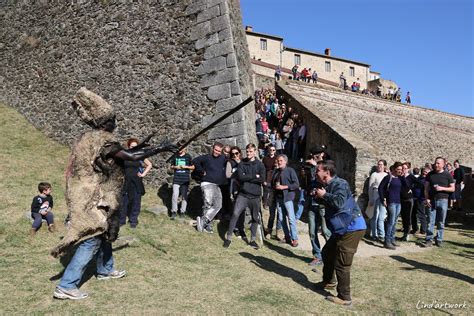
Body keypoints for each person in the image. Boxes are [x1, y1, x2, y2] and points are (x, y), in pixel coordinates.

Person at [52, 88, 176, 300]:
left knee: (105, 234)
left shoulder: (90, 138)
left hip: (92, 194)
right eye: (113, 120)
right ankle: (67, 285)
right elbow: (127, 155)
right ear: (105, 123)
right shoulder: (101, 139)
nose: (115, 123)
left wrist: (144, 145)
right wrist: (160, 148)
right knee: (92, 238)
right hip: (94, 197)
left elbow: (111, 157)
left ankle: (105, 269)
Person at [314, 160, 366, 306]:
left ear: (327, 172)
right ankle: (329, 281)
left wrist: (324, 195)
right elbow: (333, 205)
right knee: (328, 252)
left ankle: (345, 297)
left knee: (342, 263)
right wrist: (319, 195)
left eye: (318, 170)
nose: (315, 172)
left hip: (352, 228)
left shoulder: (340, 184)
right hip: (341, 228)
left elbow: (339, 203)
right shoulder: (328, 186)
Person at [224, 144, 266, 249]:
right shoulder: (242, 163)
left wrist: (249, 177)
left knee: (255, 218)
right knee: (235, 214)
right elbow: (241, 178)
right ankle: (228, 238)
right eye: (247, 151)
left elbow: (262, 179)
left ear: (255, 151)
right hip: (243, 194)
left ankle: (252, 240)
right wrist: (254, 176)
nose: (248, 153)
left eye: (251, 151)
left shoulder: (260, 165)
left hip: (255, 196)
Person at [193, 142, 227, 233]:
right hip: (207, 183)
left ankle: (203, 222)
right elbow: (195, 160)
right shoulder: (207, 157)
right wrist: (201, 171)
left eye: (219, 151)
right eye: (216, 150)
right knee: (208, 204)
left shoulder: (223, 158)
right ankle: (206, 226)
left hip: (217, 185)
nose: (217, 152)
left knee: (218, 205)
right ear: (213, 148)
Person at [422, 157, 455, 247]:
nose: (436, 165)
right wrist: (427, 198)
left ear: (443, 164)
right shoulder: (430, 174)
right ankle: (429, 239)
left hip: (443, 200)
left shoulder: (447, 175)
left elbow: (452, 188)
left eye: (438, 163)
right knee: (430, 221)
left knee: (441, 221)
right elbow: (426, 188)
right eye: (435, 163)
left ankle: (439, 239)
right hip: (432, 200)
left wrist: (442, 188)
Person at [119, 138, 152, 228]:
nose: (134, 148)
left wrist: (143, 174)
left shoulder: (140, 155)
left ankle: (133, 220)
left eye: (135, 146)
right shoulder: (124, 155)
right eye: (132, 146)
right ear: (128, 146)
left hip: (136, 181)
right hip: (126, 181)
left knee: (136, 201)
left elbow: (149, 165)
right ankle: (121, 220)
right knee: (123, 201)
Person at [378, 162, 408, 250]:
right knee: (390, 221)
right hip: (391, 202)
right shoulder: (389, 177)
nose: (400, 171)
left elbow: (406, 186)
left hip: (398, 202)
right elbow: (380, 188)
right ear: (394, 169)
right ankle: (387, 241)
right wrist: (383, 198)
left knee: (395, 221)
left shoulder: (400, 178)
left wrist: (402, 177)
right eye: (398, 169)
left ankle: (392, 239)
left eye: (401, 169)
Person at [273, 154, 300, 247]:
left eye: (281, 161)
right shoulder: (276, 171)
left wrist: (284, 187)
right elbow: (272, 183)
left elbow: (296, 184)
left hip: (288, 198)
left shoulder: (290, 171)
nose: (279, 162)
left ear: (285, 161)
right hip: (279, 198)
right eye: (278, 161)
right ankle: (287, 237)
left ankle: (295, 238)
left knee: (291, 219)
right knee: (281, 219)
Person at [170, 140, 194, 219]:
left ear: (185, 148)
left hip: (185, 180)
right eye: (178, 147)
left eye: (181, 147)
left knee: (184, 196)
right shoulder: (175, 156)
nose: (180, 148)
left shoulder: (188, 156)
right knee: (175, 195)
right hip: (176, 178)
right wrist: (174, 167)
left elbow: (193, 167)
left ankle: (183, 212)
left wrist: (186, 167)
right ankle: (174, 211)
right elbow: (171, 166)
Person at [368, 160, 388, 242]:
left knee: (382, 216)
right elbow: (370, 187)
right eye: (378, 164)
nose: (379, 166)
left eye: (381, 164)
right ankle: (374, 234)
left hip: (383, 197)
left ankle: (381, 235)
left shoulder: (386, 175)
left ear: (384, 166)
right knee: (374, 216)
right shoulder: (374, 175)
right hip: (375, 195)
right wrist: (371, 198)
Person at [400, 162, 415, 241]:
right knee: (403, 217)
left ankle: (407, 233)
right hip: (401, 199)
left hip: (408, 199)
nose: (403, 170)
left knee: (408, 217)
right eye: (402, 168)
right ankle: (404, 233)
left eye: (405, 168)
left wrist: (412, 189)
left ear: (408, 169)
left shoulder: (411, 177)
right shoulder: (400, 177)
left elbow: (419, 184)